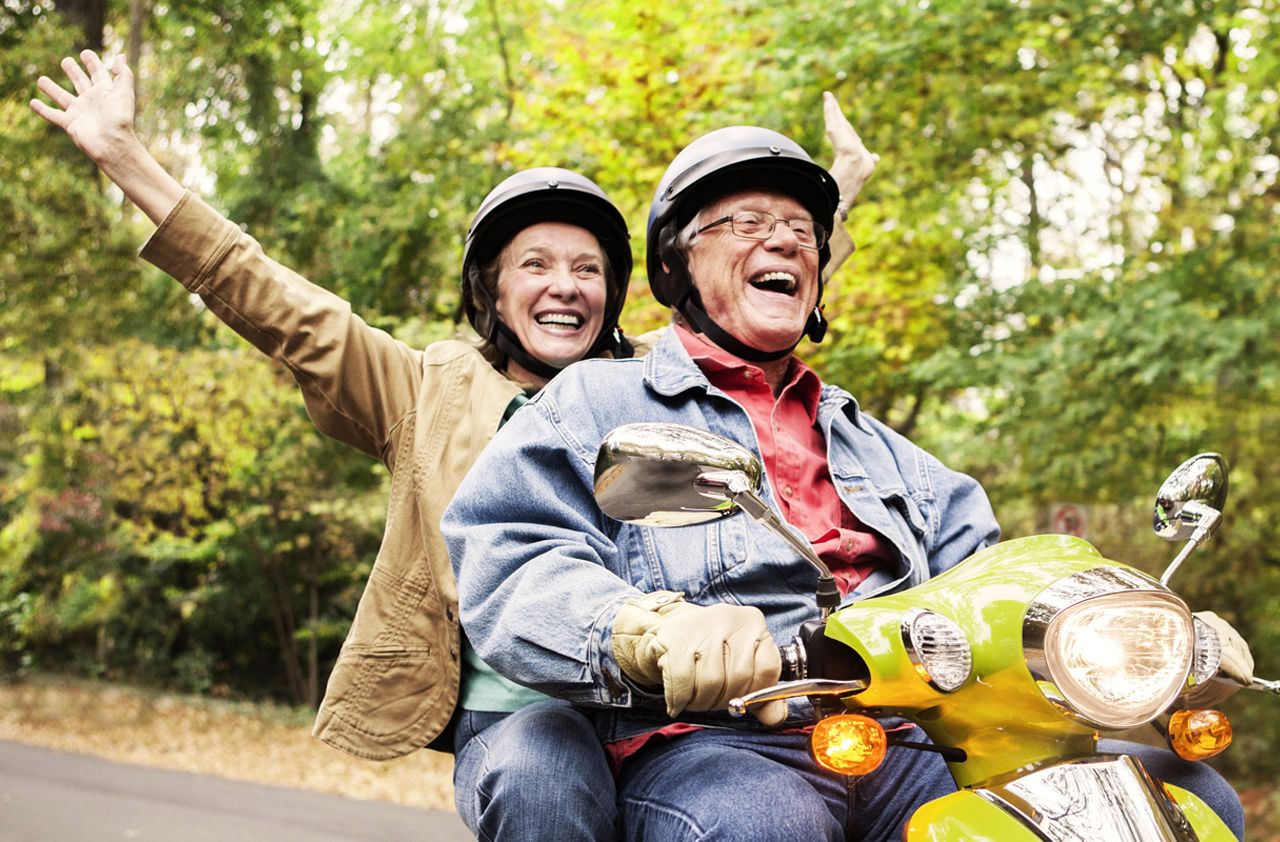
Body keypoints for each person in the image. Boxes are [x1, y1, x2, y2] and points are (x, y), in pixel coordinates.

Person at [30, 50, 880, 841]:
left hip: (666, 708)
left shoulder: (664, 392)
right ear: (492, 291)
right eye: (535, 265)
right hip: (519, 709)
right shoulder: (424, 392)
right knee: (543, 776)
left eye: (587, 269)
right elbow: (278, 304)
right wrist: (124, 159)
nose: (564, 286)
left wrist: (829, 201)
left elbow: (752, 302)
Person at [441, 125, 1251, 839]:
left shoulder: (896, 456)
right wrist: (639, 628)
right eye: (749, 224)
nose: (786, 242)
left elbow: (1000, 582)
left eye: (801, 232)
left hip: (913, 741)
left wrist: (1142, 632)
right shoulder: (595, 400)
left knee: (1182, 798)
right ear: (678, 263)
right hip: (717, 739)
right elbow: (512, 555)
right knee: (763, 824)